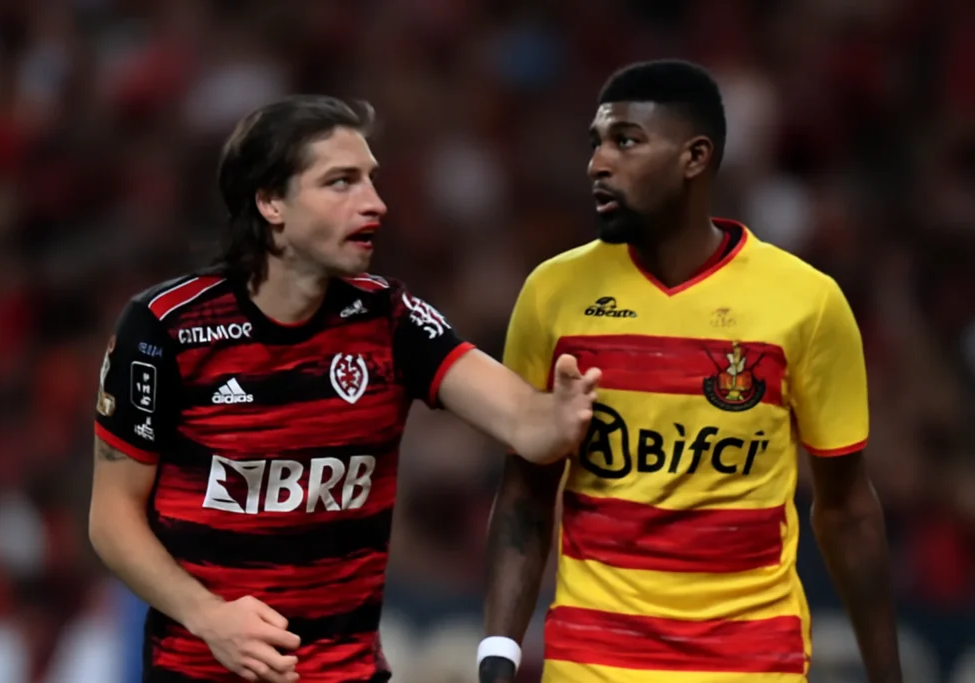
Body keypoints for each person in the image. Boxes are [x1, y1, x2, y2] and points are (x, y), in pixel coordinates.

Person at [88, 94, 601, 683]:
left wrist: (562, 413)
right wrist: (208, 616)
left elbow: (526, 425)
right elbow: (112, 518)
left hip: (345, 671)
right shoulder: (164, 328)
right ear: (271, 202)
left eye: (371, 180)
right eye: (341, 182)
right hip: (197, 670)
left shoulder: (390, 318)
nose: (374, 203)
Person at [480, 60, 902, 683]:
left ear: (695, 157)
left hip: (752, 665)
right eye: (596, 143)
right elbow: (524, 492)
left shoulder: (806, 304)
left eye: (625, 141)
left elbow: (845, 509)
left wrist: (887, 676)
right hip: (592, 663)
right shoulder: (552, 294)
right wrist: (497, 655)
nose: (597, 163)